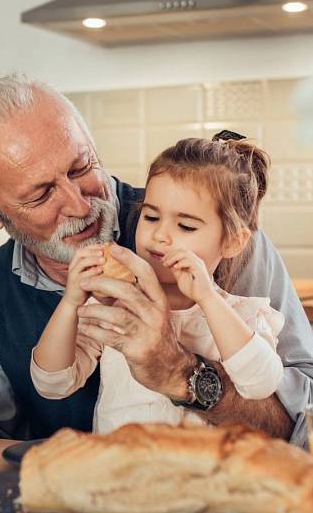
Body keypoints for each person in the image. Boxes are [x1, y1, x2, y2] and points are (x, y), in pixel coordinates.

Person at [0, 73, 313, 448]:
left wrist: (183, 374)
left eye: (80, 166)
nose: (77, 204)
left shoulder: (210, 244)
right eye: (40, 194)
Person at [31, 136, 286, 434]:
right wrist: (71, 302)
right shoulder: (115, 304)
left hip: (203, 475)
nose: (160, 235)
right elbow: (52, 382)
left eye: (186, 226)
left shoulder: (241, 315)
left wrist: (207, 298)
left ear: (232, 242)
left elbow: (260, 384)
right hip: (122, 472)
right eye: (150, 217)